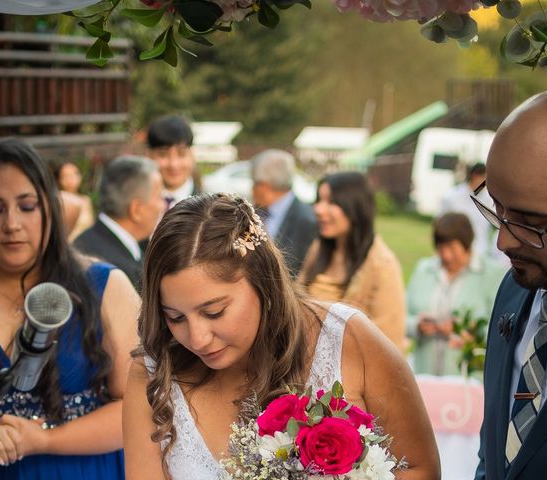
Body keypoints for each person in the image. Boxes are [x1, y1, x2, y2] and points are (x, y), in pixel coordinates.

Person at [122, 193, 440, 479]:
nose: (198, 338)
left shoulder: (349, 339)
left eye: (214, 312)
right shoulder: (153, 374)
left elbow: (421, 469)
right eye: (175, 317)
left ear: (262, 281)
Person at [0, 138, 140, 479]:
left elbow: (138, 407)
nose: (12, 224)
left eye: (27, 206)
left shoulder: (107, 286)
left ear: (50, 208)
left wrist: (44, 440)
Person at [474, 90, 547, 479]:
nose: (503, 241)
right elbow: (495, 454)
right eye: (496, 207)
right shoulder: (514, 290)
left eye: (528, 221)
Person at [297, 171, 407, 351]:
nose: (318, 209)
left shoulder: (382, 265)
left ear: (355, 207)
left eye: (331, 202)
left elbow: (390, 343)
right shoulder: (318, 249)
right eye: (319, 200)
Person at [407, 212, 506, 376]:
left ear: (467, 245)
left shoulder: (492, 274)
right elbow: (399, 317)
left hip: (470, 381)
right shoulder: (423, 269)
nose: (446, 255)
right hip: (424, 377)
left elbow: (502, 330)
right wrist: (417, 326)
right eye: (440, 248)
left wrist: (465, 331)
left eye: (452, 248)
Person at [73, 155, 165, 293]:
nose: (162, 205)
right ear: (136, 209)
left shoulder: (87, 241)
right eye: (159, 196)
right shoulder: (113, 270)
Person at [250, 149, 317, 277]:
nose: (252, 189)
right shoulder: (255, 213)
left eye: (254, 183)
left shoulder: (306, 219)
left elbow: (295, 269)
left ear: (264, 185)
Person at [146, 114, 201, 208]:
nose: (173, 164)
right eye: (163, 154)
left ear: (192, 154)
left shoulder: (210, 207)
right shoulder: (138, 203)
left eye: (181, 154)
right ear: (149, 155)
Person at [439, 162, 493, 259]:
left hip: (481, 253)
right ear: (476, 176)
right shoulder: (452, 197)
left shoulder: (489, 199)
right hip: (457, 253)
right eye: (484, 178)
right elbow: (441, 224)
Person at [53, 159, 95, 241]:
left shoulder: (85, 200)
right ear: (59, 179)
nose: (71, 178)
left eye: (75, 174)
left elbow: (91, 226)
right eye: (66, 175)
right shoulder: (58, 199)